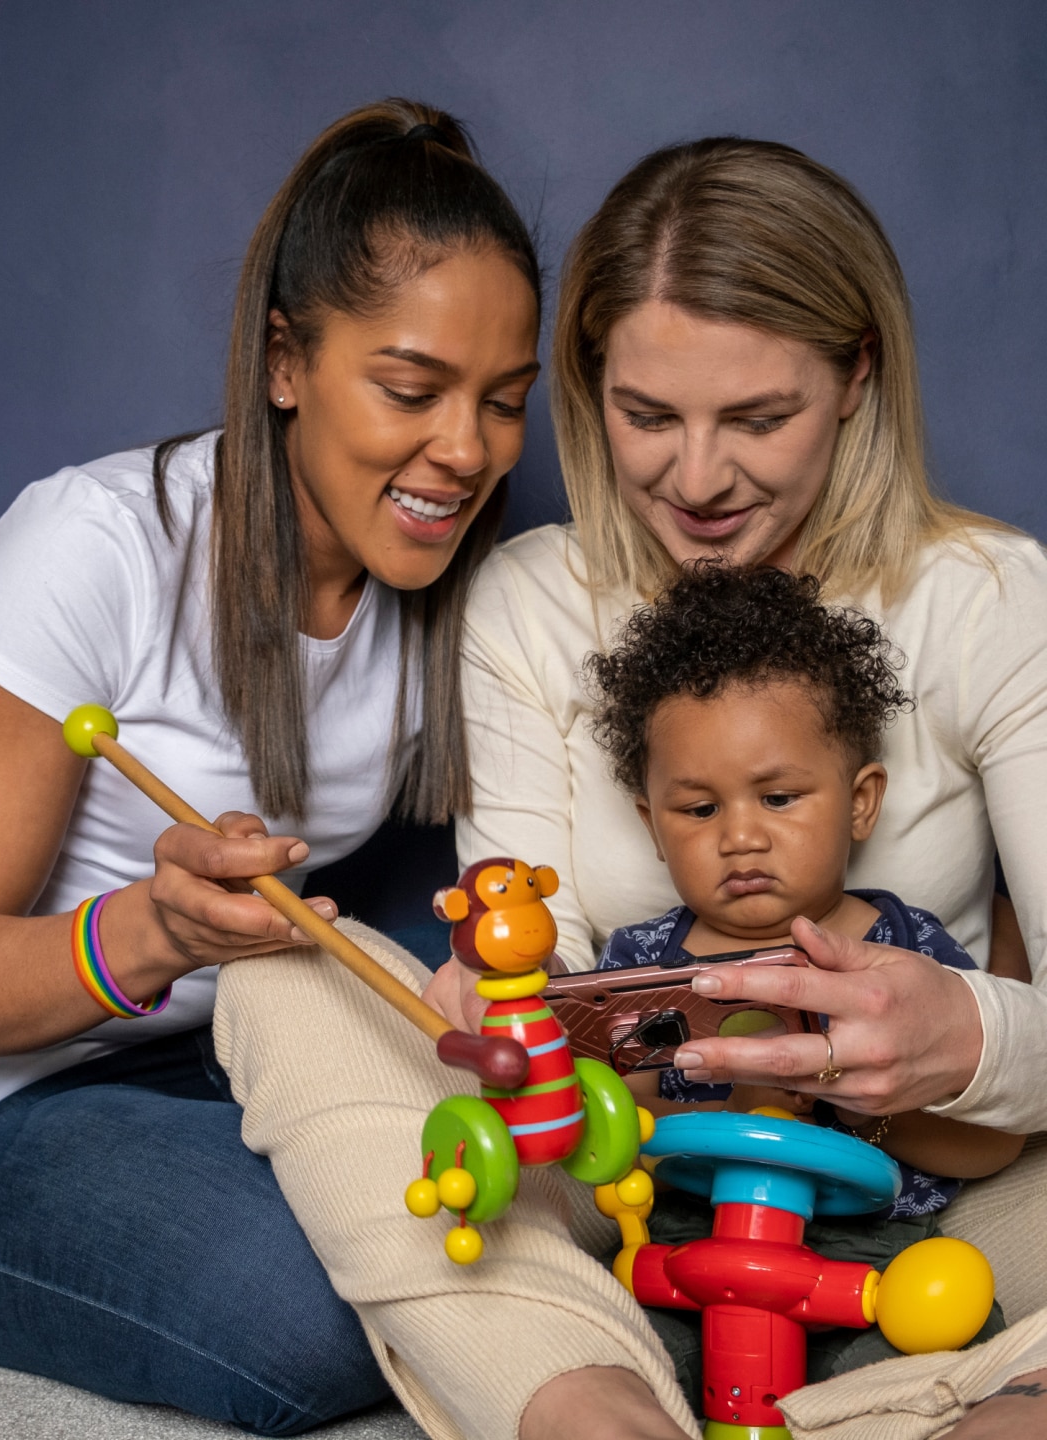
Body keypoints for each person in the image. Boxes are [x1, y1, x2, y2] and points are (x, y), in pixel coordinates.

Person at [212, 137, 1047, 1440]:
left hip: (925, 1211)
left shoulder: (991, 600)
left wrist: (970, 1043)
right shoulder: (531, 604)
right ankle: (596, 1408)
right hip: (624, 1201)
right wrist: (510, 1032)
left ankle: (979, 1400)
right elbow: (533, 978)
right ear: (585, 387)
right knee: (280, 972)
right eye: (647, 416)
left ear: (857, 378)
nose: (699, 480)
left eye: (759, 419)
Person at [0, 97, 543, 1436]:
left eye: (503, 404)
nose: (464, 451)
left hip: (227, 1065)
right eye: (411, 389)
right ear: (287, 361)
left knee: (501, 1216)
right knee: (329, 1313)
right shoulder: (92, 546)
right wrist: (154, 930)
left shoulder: (454, 599)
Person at [586, 562, 1020, 1392]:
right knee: (624, 1354)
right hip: (685, 1245)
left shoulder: (906, 953)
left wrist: (860, 1104)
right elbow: (598, 1111)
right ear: (651, 825)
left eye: (779, 798)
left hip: (871, 1250)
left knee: (945, 1350)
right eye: (700, 810)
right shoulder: (640, 967)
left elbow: (994, 1141)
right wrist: (721, 1104)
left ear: (860, 803)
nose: (741, 836)